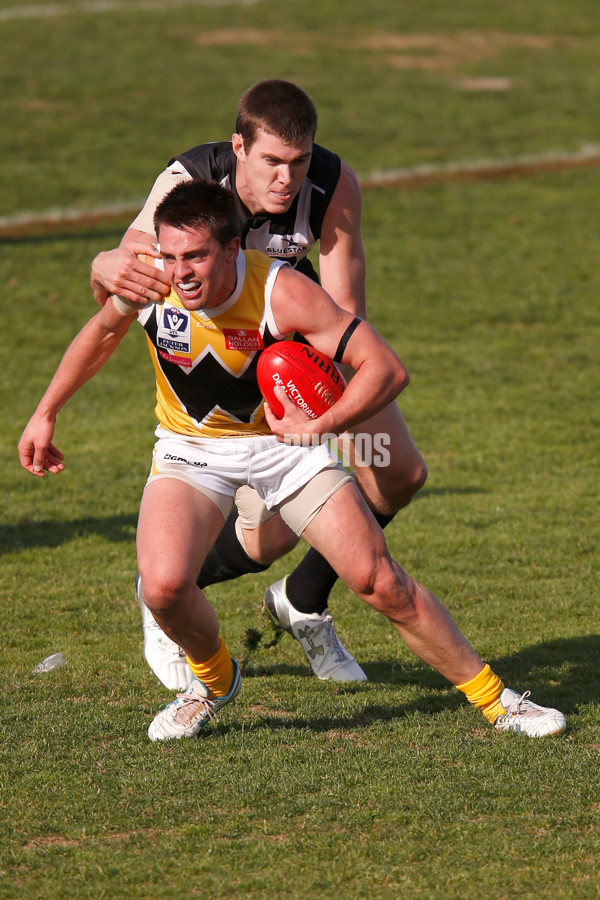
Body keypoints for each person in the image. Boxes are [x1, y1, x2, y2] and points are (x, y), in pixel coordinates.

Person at [20, 179, 567, 742]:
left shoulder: (281, 292)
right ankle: (213, 682)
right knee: (162, 588)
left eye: (197, 256)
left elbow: (384, 367)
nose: (180, 272)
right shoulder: (153, 281)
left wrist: (319, 426)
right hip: (191, 448)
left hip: (284, 449)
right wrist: (46, 412)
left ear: (232, 250)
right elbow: (102, 332)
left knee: (379, 582)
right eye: (171, 255)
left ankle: (499, 701)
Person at [90, 79, 428, 690]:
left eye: (299, 162)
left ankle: (302, 601)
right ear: (239, 147)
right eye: (273, 160)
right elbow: (127, 275)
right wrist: (104, 264)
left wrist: (320, 411)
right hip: (215, 373)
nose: (287, 178)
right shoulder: (187, 178)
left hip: (296, 352)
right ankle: (163, 595)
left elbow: (346, 305)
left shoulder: (333, 185)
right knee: (267, 535)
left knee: (399, 471)